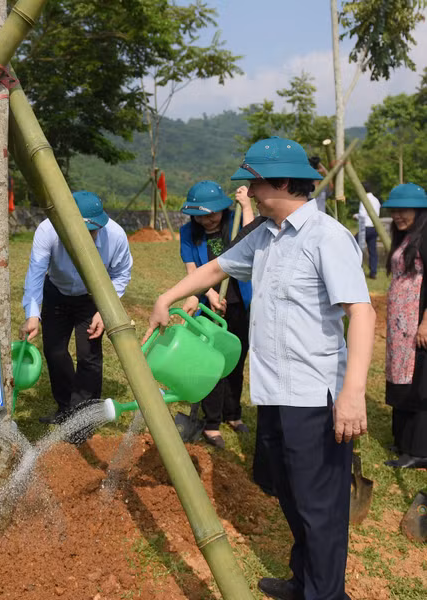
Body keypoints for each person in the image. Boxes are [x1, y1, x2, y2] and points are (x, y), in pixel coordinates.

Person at [146, 137, 374, 600]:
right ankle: (305, 581)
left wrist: (352, 393)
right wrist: (166, 297)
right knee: (288, 494)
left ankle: (325, 594)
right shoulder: (265, 237)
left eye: (256, 184)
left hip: (314, 397)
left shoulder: (327, 237)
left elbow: (363, 313)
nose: (248, 192)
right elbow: (215, 269)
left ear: (285, 183)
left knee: (320, 507)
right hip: (272, 395)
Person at [21, 191, 133, 424]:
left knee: (88, 355)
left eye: (93, 232)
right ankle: (65, 408)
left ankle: (85, 416)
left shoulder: (115, 235)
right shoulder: (48, 230)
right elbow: (36, 273)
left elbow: (121, 274)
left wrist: (105, 310)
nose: (89, 238)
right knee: (54, 351)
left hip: (92, 297)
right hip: (56, 292)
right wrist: (32, 314)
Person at [177, 180, 255, 448]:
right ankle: (211, 423)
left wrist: (247, 205)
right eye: (201, 216)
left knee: (236, 358)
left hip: (239, 303)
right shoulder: (187, 232)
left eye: (212, 214)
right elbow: (192, 271)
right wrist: (209, 293)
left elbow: (253, 240)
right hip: (208, 305)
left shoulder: (235, 222)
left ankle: (233, 414)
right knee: (212, 363)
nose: (207, 220)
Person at [382, 182, 427, 470]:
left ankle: (419, 450)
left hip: (418, 325)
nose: (398, 215)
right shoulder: (407, 238)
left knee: (420, 383)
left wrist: (426, 322)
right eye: (394, 210)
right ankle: (402, 440)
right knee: (402, 377)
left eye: (404, 210)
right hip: (401, 326)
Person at [355, 183, 382, 279]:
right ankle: (373, 272)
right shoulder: (376, 200)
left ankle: (357, 269)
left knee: (354, 245)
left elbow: (362, 215)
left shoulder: (364, 199)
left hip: (365, 227)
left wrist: (355, 216)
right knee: (372, 250)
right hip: (375, 227)